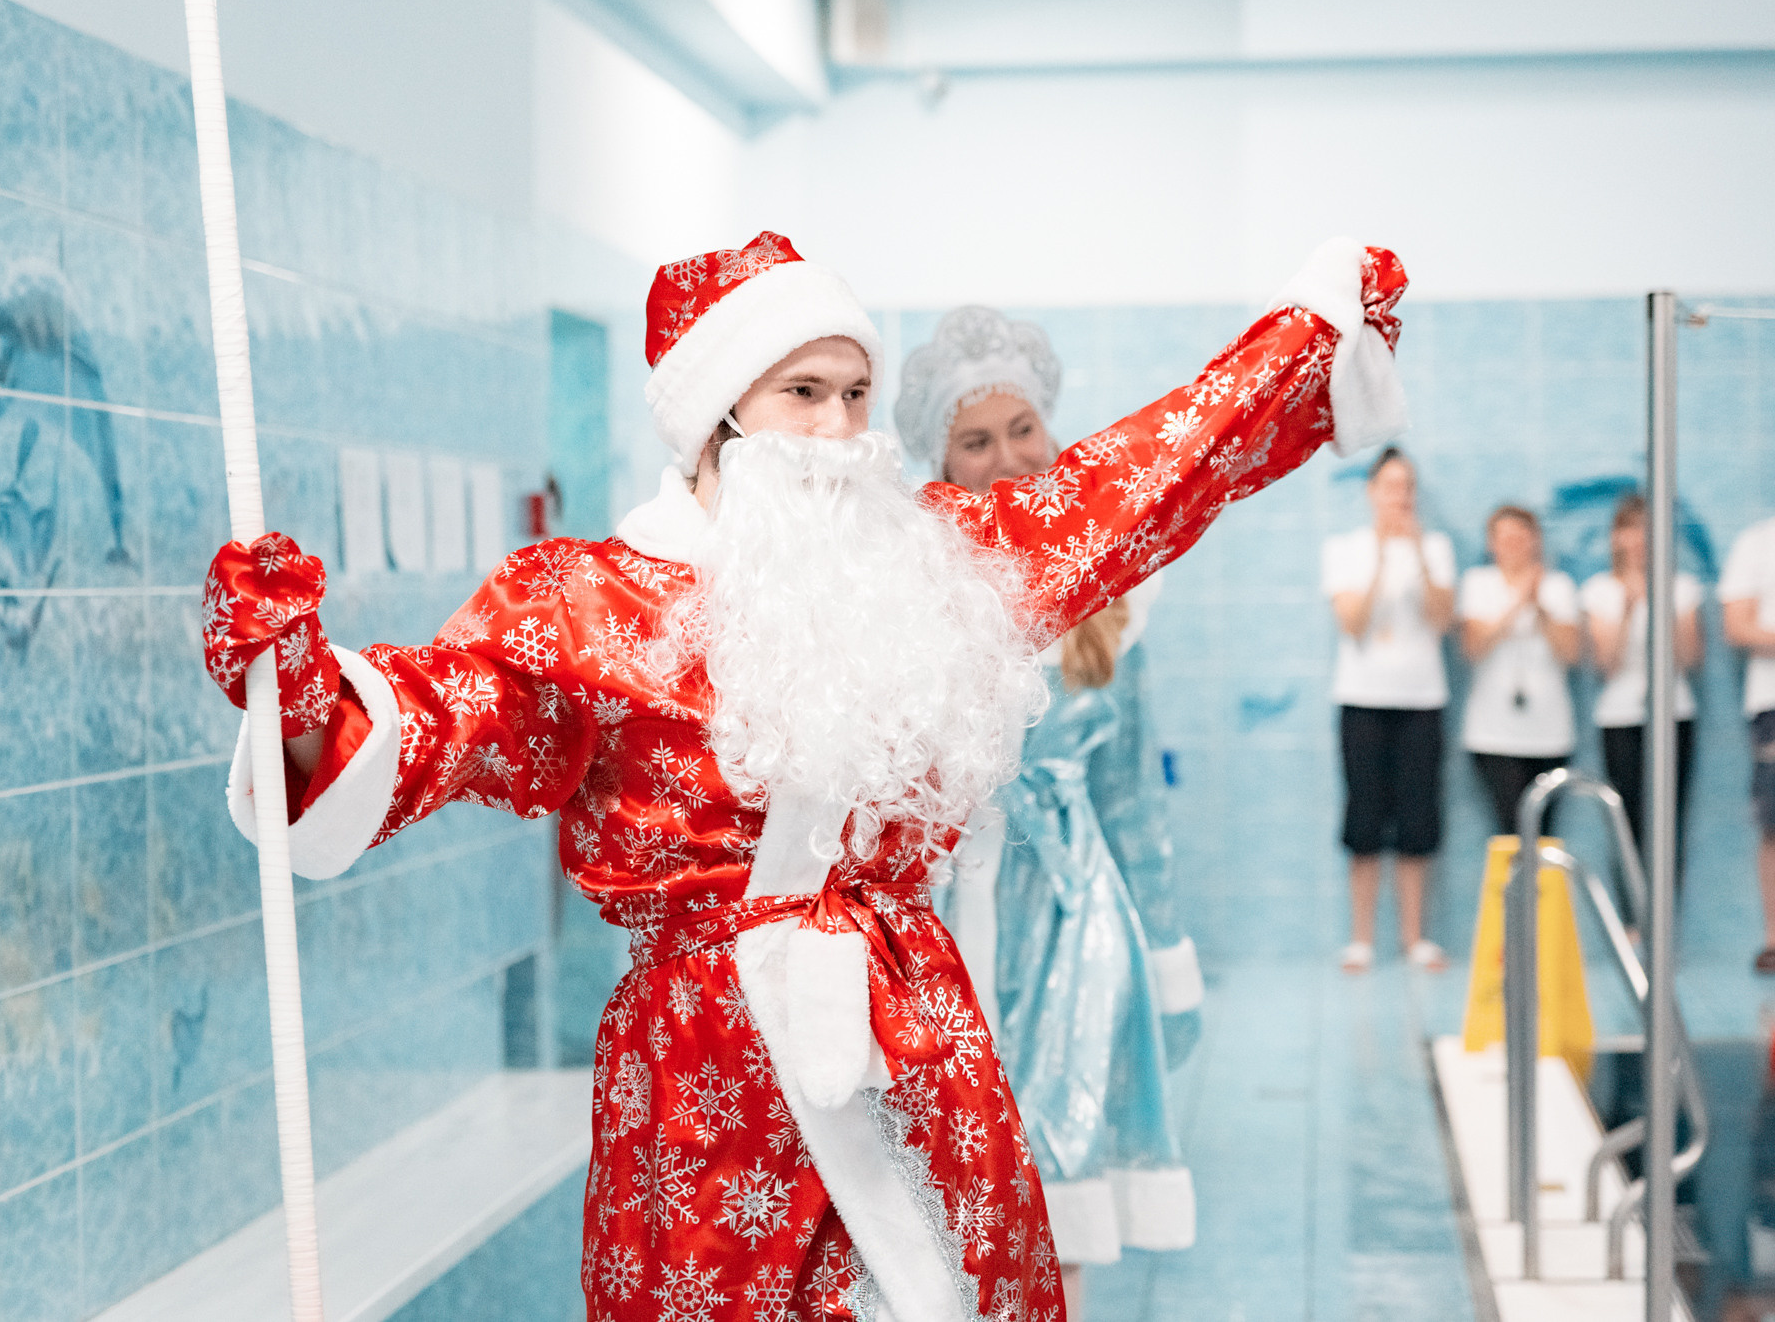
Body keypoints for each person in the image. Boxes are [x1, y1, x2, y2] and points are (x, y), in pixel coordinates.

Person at [201, 231, 1411, 1322]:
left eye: (855, 395)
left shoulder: (935, 562)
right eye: (802, 396)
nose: (840, 432)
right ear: (716, 416)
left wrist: (1311, 341)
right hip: (705, 1069)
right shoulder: (586, 602)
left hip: (914, 1047)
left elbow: (1152, 474)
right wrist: (294, 681)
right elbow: (422, 725)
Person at [897, 308, 1202, 1314]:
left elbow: (1130, 805)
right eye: (973, 441)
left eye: (1019, 430)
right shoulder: (906, 596)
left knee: (1054, 1171)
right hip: (942, 912)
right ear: (938, 456)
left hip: (1072, 919)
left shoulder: (1115, 596)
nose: (1003, 460)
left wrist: (1163, 957)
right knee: (937, 1179)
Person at [1322, 447, 1457, 974]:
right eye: (1391, 486)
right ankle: (1360, 939)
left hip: (1423, 698)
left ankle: (1414, 937)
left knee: (1418, 819)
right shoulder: (1346, 549)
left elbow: (1442, 620)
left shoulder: (1437, 549)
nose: (1401, 497)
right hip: (1362, 699)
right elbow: (1351, 622)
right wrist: (1381, 557)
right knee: (1364, 817)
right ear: (1371, 492)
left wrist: (1418, 554)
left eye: (1408, 487)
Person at [1582, 493, 1702, 900]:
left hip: (1674, 713)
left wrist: (1657, 595)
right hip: (1619, 716)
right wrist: (1630, 603)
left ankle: (1666, 917)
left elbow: (1689, 657)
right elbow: (1606, 663)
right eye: (1630, 528)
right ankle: (1633, 916)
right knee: (1626, 816)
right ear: (1616, 537)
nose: (1638, 538)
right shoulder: (1600, 590)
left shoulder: (1681, 587)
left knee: (1669, 818)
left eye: (1647, 528)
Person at [1457, 505, 1582, 835]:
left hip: (1550, 732)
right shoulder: (1478, 583)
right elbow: (1472, 647)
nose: (1514, 546)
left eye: (1522, 538)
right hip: (1493, 733)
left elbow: (1571, 653)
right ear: (1491, 544)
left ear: (1536, 542)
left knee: (1544, 833)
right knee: (1511, 828)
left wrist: (1538, 605)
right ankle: (1515, 889)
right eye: (1505, 538)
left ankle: (1540, 888)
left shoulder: (1558, 586)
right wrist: (1518, 602)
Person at [1720, 514, 1775, 973]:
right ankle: (1774, 937)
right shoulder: (1758, 542)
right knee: (1773, 820)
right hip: (1772, 700)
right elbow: (1737, 625)